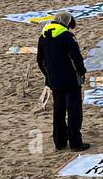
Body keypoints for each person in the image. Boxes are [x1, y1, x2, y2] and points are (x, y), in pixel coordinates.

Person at [36, 10, 89, 152]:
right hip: (70, 79)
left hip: (54, 79)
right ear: (67, 23)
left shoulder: (43, 36)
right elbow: (76, 57)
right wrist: (82, 72)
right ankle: (75, 143)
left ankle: (59, 142)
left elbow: (40, 60)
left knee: (58, 110)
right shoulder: (67, 36)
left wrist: (48, 76)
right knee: (74, 111)